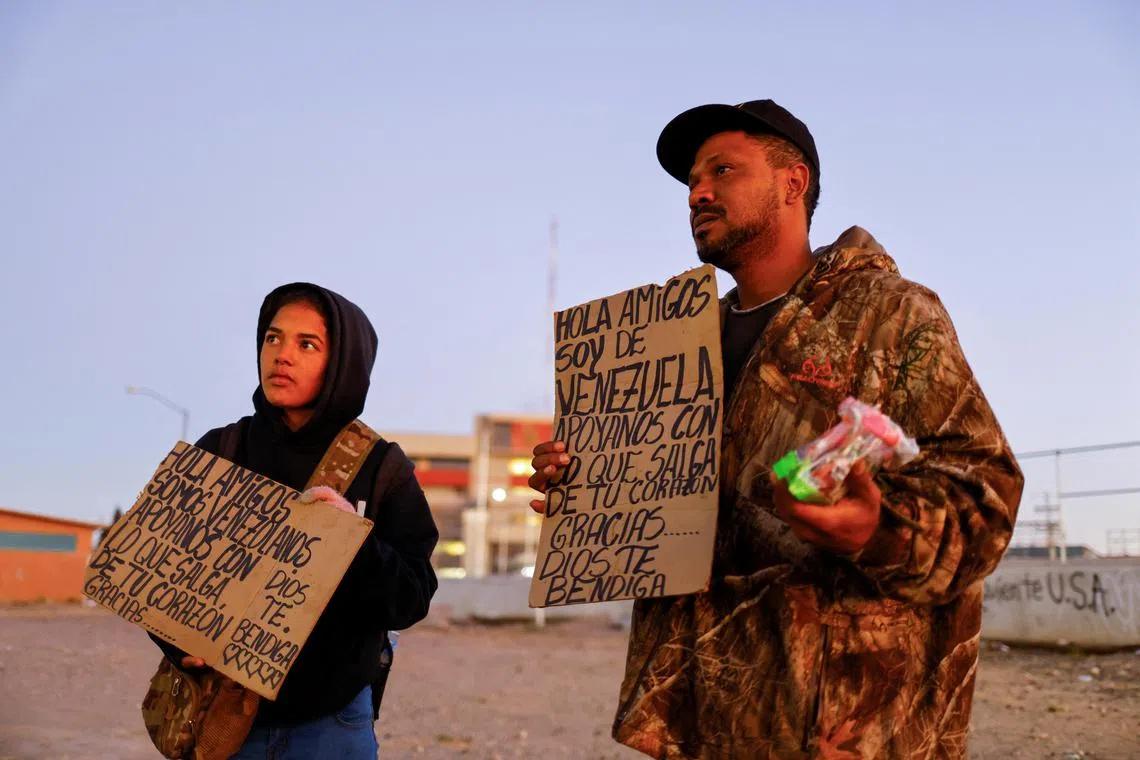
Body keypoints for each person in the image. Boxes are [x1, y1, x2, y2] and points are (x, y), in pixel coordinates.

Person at [528, 100, 1024, 759]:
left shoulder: (891, 315)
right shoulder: (671, 346)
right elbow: (680, 520)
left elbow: (983, 499)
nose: (697, 193)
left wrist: (876, 529)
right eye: (690, 183)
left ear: (793, 183)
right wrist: (587, 489)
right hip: (705, 724)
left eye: (722, 170)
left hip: (844, 729)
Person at [150, 282, 439, 759]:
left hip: (332, 726)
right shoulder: (220, 451)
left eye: (307, 344)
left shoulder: (381, 467)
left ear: (343, 362)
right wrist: (175, 644)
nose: (282, 355)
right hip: (220, 717)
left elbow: (412, 596)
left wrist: (350, 539)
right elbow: (156, 567)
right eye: (272, 337)